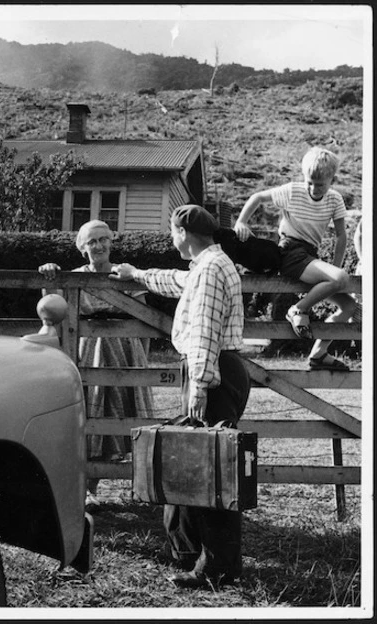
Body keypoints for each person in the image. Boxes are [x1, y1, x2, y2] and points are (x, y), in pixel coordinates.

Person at [111, 204, 251, 589]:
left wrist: (200, 384)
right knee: (202, 462)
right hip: (219, 368)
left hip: (215, 370)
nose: (172, 239)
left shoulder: (209, 271)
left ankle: (217, 568)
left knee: (210, 468)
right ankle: (196, 555)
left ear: (185, 233)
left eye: (173, 232)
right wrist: (136, 273)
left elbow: (204, 329)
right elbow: (175, 281)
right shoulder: (208, 265)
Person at [38, 220, 155, 505]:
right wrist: (50, 278)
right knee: (92, 414)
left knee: (130, 417)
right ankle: (89, 491)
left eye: (104, 239)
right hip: (88, 352)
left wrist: (142, 362)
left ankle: (141, 490)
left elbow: (145, 319)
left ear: (111, 243)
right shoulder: (74, 276)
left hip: (126, 354)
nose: (99, 246)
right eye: (92, 242)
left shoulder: (124, 274)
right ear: (82, 248)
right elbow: (50, 313)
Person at [233, 146, 356, 371]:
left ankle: (318, 355)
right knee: (340, 278)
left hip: (311, 256)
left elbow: (341, 236)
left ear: (332, 179)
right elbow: (258, 197)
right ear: (304, 177)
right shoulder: (293, 191)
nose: (314, 188)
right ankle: (298, 310)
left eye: (320, 184)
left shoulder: (335, 200)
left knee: (349, 306)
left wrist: (334, 272)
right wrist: (241, 222)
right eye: (310, 182)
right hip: (290, 252)